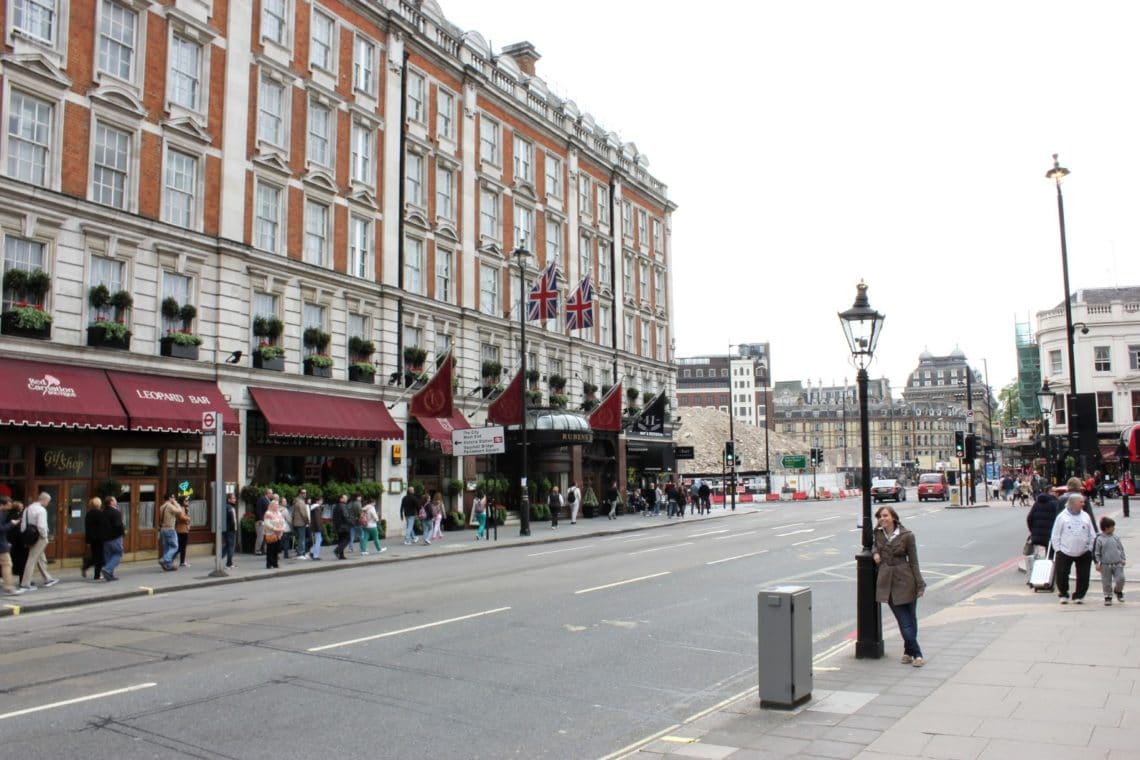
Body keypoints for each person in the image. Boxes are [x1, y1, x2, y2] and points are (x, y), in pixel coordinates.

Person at [872, 504, 926, 667]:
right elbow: (875, 544)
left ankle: (910, 652)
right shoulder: (878, 533)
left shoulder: (907, 536)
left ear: (893, 518)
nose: (882, 519)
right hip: (887, 581)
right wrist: (875, 552)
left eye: (885, 516)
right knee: (904, 620)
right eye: (880, 516)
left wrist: (919, 584)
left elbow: (914, 562)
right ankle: (916, 652)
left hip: (906, 579)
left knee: (910, 618)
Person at [1050, 492, 1097, 604]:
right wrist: (1058, 550)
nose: (1083, 504)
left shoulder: (1086, 516)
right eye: (1081, 502)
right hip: (1065, 551)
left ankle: (1079, 596)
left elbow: (1092, 534)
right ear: (1073, 503)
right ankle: (1064, 593)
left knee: (1084, 575)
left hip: (1084, 551)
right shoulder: (1062, 517)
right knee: (1062, 574)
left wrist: (1090, 548)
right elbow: (1055, 535)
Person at [20, 492, 59, 590]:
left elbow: (23, 525)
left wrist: (25, 536)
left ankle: (48, 578)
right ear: (44, 500)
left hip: (30, 536)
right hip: (40, 537)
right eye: (48, 501)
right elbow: (41, 526)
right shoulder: (41, 510)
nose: (48, 504)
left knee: (40, 557)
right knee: (32, 558)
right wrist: (45, 536)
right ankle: (25, 583)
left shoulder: (27, 509)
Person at [1094, 516, 1126, 605]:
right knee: (1106, 581)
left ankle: (1118, 591)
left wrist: (1123, 558)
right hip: (1105, 564)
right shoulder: (1099, 539)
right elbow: (1097, 552)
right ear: (1106, 528)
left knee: (1121, 578)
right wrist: (1097, 562)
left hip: (1117, 563)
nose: (1114, 528)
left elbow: (1121, 548)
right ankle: (1108, 596)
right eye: (1112, 527)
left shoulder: (1115, 537)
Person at [1026, 492, 1061, 559]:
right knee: (1050, 553)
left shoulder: (1037, 503)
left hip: (1036, 534)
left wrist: (1033, 530)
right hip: (1050, 534)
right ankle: (1049, 565)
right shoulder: (1055, 504)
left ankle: (1035, 565)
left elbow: (1029, 518)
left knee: (1035, 553)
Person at [1, 495, 23, 595]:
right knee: (7, 564)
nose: (11, 506)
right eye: (9, 504)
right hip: (1, 545)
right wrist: (12, 523)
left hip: (2, 543)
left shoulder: (4, 513)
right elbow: (1, 529)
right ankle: (8, 587)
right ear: (2, 505)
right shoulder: (1, 514)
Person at [82, 496, 106, 580]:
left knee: (96, 556)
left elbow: (87, 528)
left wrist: (87, 540)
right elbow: (103, 527)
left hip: (92, 538)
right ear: (99, 504)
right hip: (100, 538)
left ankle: (86, 567)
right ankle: (97, 574)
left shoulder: (89, 514)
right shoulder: (100, 514)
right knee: (99, 557)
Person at [102, 496, 124, 581]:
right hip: (115, 537)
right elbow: (118, 525)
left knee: (108, 556)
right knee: (118, 553)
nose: (116, 501)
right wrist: (122, 533)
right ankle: (107, 569)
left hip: (105, 538)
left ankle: (109, 575)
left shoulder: (103, 512)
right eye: (115, 500)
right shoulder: (116, 512)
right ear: (111, 502)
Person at [262, 499, 286, 569]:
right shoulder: (268, 513)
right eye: (275, 505)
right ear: (272, 506)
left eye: (277, 505)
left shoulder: (279, 513)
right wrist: (274, 528)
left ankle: (275, 563)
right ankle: (269, 564)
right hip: (271, 533)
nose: (277, 506)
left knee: (276, 549)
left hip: (279, 534)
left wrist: (282, 528)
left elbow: (283, 521)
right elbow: (267, 523)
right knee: (270, 549)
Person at [291, 489, 310, 560]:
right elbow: (303, 513)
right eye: (303, 493)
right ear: (299, 494)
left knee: (300, 538)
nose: (305, 494)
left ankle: (301, 552)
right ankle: (301, 553)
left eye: (305, 492)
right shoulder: (300, 502)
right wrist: (307, 521)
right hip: (301, 523)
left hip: (297, 523)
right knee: (302, 539)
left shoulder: (296, 501)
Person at [332, 495, 353, 559]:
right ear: (341, 499)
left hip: (338, 526)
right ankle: (337, 550)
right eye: (345, 498)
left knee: (341, 540)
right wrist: (351, 523)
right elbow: (346, 516)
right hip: (344, 526)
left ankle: (341, 555)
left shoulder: (335, 506)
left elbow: (334, 517)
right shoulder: (343, 506)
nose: (346, 499)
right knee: (347, 539)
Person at [221, 493, 238, 569]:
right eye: (233, 498)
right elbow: (232, 520)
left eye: (235, 498)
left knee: (227, 545)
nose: (235, 500)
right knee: (231, 546)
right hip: (230, 530)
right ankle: (229, 563)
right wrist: (234, 529)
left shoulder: (227, 507)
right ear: (229, 499)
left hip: (226, 529)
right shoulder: (230, 508)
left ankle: (219, 558)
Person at [175, 496, 192, 567]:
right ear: (182, 501)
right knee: (181, 547)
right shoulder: (181, 508)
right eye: (186, 501)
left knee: (181, 547)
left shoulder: (184, 508)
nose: (187, 502)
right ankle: (169, 558)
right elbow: (182, 517)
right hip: (182, 529)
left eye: (188, 501)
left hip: (183, 529)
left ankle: (182, 561)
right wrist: (188, 519)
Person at [254, 487, 271, 555]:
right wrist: (260, 519)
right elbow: (259, 510)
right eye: (270, 493)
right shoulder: (262, 499)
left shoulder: (268, 500)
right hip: (261, 521)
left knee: (266, 536)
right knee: (260, 536)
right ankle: (257, 550)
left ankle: (265, 549)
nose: (271, 494)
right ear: (267, 493)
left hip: (266, 521)